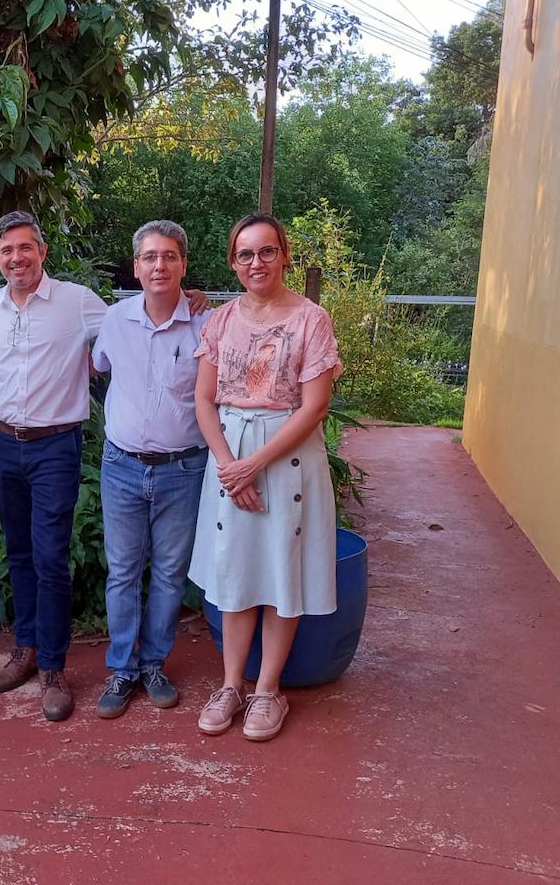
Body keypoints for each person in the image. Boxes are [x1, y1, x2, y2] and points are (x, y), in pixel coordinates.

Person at [189, 212, 343, 742]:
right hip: (228, 456)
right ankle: (231, 683)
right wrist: (231, 466)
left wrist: (255, 464)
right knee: (235, 571)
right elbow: (204, 400)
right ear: (233, 262)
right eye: (246, 254)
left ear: (284, 256)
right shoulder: (220, 321)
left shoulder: (311, 319)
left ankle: (267, 690)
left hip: (287, 456)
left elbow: (315, 405)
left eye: (267, 251)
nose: (257, 262)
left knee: (282, 568)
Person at [0, 210, 108, 721]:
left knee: (51, 557)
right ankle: (24, 650)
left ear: (42, 251)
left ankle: (53, 666)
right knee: (19, 552)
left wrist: (191, 302)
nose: (16, 258)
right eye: (7, 250)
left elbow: (131, 324)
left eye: (25, 248)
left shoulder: (75, 301)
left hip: (56, 446)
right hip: (5, 443)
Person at [90, 220, 210, 719]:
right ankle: (122, 668)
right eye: (149, 257)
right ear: (136, 266)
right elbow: (96, 367)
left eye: (169, 256)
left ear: (183, 263)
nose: (159, 265)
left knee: (167, 573)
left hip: (183, 470)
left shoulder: (208, 325)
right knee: (121, 572)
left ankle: (154, 664)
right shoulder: (113, 321)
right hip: (120, 466)